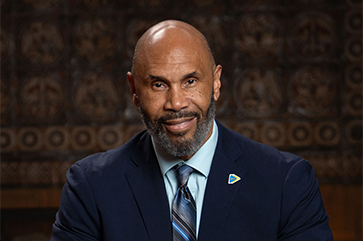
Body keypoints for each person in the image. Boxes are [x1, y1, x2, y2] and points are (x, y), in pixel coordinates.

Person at [51, 20, 333, 241]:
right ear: (134, 90)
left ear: (216, 82)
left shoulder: (286, 182)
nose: (176, 104)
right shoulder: (91, 186)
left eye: (190, 81)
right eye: (158, 85)